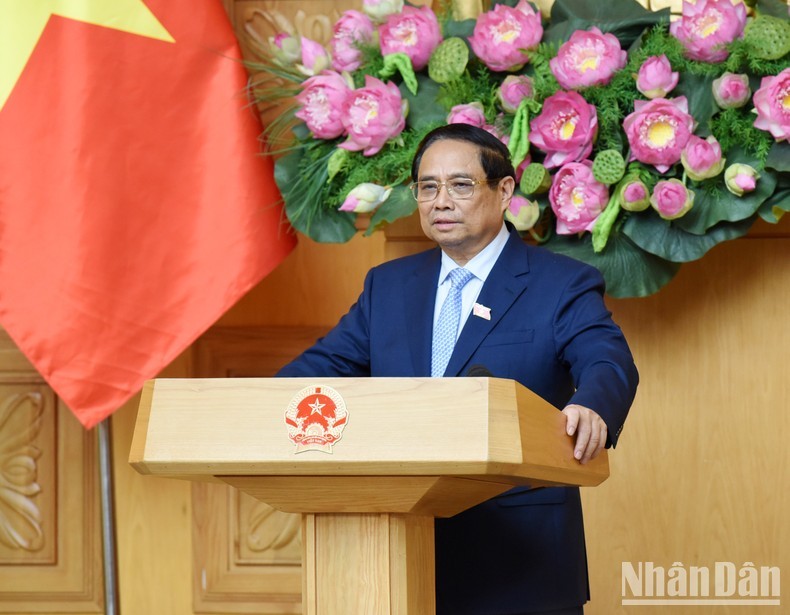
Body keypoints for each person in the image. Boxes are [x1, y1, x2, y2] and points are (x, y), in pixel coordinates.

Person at [278, 123, 638, 615]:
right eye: (428, 187)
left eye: (460, 185)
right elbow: (319, 370)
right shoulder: (388, 286)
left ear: (504, 190)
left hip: (520, 561)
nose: (440, 201)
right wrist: (257, 409)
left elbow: (607, 358)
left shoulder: (561, 283)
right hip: (394, 553)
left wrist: (592, 404)